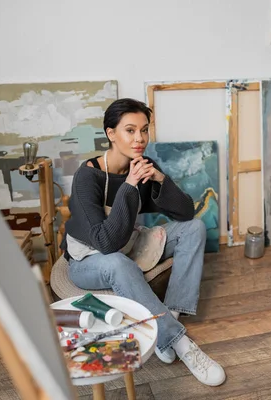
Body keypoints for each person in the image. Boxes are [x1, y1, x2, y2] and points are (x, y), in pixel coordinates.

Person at [60, 98, 226, 387]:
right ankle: (182, 344)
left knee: (194, 228)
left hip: (127, 243)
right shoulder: (87, 177)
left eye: (144, 130)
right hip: (88, 259)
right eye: (130, 130)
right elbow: (105, 242)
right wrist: (130, 185)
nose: (140, 139)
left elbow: (186, 211)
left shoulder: (143, 166)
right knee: (117, 263)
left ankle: (168, 318)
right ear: (111, 134)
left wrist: (160, 178)